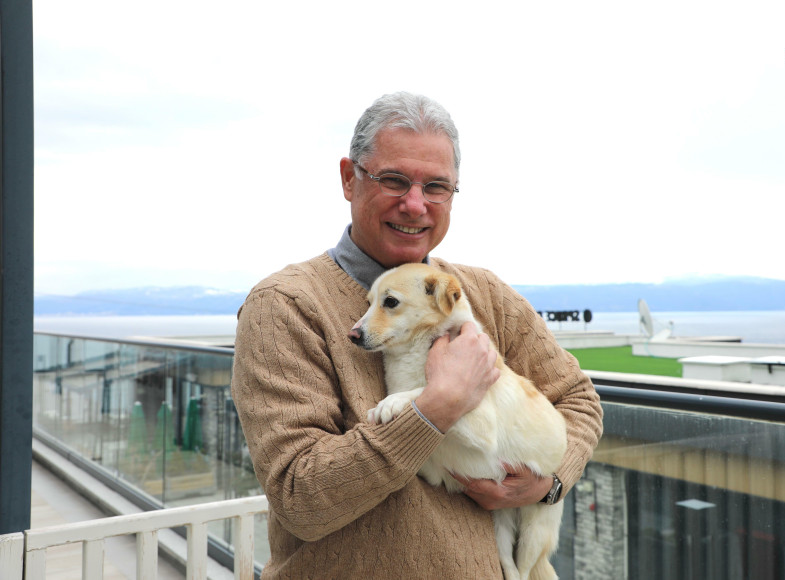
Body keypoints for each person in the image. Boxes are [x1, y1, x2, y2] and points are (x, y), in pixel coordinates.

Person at [231, 92, 603, 579]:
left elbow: (578, 399)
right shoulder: (285, 306)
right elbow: (301, 497)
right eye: (393, 180)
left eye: (437, 187)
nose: (414, 204)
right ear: (349, 178)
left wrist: (548, 482)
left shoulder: (480, 293)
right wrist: (437, 406)